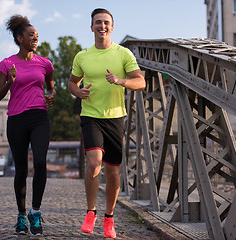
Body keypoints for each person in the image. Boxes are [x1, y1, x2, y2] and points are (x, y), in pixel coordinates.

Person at [68, 8, 146, 239]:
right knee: (94, 163)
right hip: (91, 116)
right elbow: (72, 83)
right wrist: (78, 92)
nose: (102, 26)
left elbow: (140, 82)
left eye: (106, 23)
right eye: (98, 23)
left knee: (113, 173)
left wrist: (120, 80)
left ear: (112, 27)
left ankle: (109, 217)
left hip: (115, 117)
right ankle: (91, 212)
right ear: (91, 27)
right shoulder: (82, 56)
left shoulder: (123, 54)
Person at [0, 14, 55, 235]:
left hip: (39, 117)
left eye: (37, 35)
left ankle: (35, 212)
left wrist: (51, 95)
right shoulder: (6, 63)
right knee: (21, 169)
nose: (35, 38)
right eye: (31, 35)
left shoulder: (44, 63)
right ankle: (21, 216)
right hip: (17, 119)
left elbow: (50, 86)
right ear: (19, 38)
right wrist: (10, 81)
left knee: (39, 161)